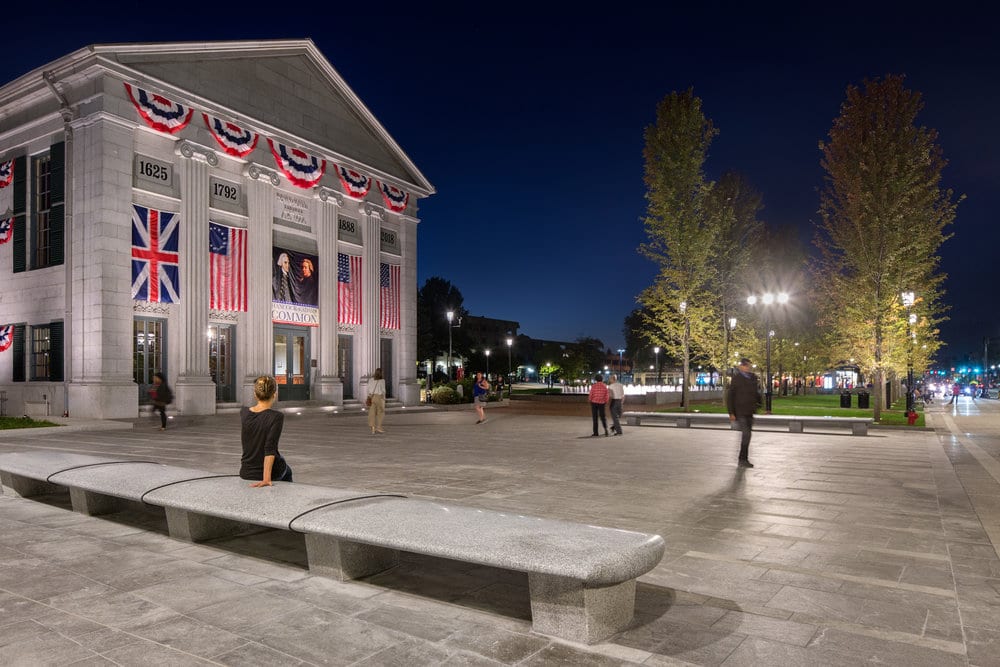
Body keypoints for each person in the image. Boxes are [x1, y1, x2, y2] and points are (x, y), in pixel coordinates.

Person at [240, 375, 293, 487]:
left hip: (246, 472)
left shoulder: (244, 412)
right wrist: (266, 479)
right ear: (275, 394)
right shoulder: (276, 417)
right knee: (287, 470)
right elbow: (270, 448)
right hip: (268, 473)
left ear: (255, 394)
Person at [726, 357, 761, 468]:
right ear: (741, 366)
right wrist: (731, 412)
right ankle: (742, 459)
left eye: (748, 365)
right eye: (745, 365)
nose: (747, 367)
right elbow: (730, 396)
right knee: (746, 434)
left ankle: (743, 458)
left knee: (748, 435)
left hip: (749, 411)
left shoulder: (753, 378)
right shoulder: (736, 379)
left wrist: (761, 404)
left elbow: (756, 393)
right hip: (740, 411)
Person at [367, 367, 386, 434]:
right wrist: (384, 399)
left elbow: (368, 389)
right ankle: (379, 427)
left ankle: (373, 428)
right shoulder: (382, 381)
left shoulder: (370, 380)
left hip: (372, 397)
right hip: (379, 397)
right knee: (380, 413)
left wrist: (369, 396)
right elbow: (383, 391)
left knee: (372, 413)